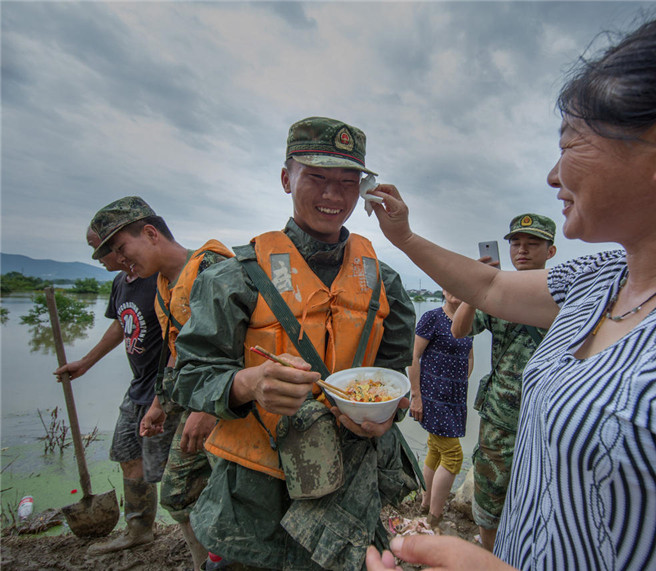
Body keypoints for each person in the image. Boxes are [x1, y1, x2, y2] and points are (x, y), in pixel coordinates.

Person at [365, 10, 656, 570]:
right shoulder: (599, 276)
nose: (552, 175)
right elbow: (493, 285)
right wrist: (402, 235)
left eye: (570, 144)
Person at [172, 116, 419, 570]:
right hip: (255, 496)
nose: (333, 195)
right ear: (286, 178)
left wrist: (388, 413)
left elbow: (393, 377)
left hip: (349, 483)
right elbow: (187, 377)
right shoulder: (235, 276)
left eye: (348, 182)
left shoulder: (386, 282)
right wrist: (247, 383)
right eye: (317, 177)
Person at [90, 196, 232, 570]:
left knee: (237, 496)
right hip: (196, 404)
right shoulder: (166, 285)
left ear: (151, 233)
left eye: (122, 248)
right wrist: (158, 404)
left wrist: (207, 408)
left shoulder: (211, 268)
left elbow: (244, 344)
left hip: (230, 406)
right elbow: (176, 350)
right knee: (178, 492)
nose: (120, 261)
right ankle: (208, 563)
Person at [55, 226, 179, 554]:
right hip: (137, 386)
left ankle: (194, 538)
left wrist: (162, 397)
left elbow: (181, 340)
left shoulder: (159, 280)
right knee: (127, 455)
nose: (100, 258)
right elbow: (120, 325)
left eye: (102, 250)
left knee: (170, 467)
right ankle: (139, 529)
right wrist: (86, 362)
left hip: (163, 388)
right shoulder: (120, 284)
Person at [449, 213, 556, 552]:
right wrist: (476, 287)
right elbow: (459, 330)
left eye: (532, 244)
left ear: (550, 251)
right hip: (500, 417)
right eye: (516, 244)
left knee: (544, 493)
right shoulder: (498, 291)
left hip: (547, 415)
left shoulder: (565, 291)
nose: (521, 250)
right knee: (490, 495)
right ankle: (491, 556)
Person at [408, 289, 474, 531]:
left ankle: (426, 503)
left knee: (436, 448)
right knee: (454, 455)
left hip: (455, 399)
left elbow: (468, 355)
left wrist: (459, 382)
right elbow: (413, 356)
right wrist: (416, 396)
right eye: (449, 285)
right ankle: (434, 517)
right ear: (444, 290)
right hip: (433, 396)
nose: (454, 289)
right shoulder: (432, 318)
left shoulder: (469, 319)